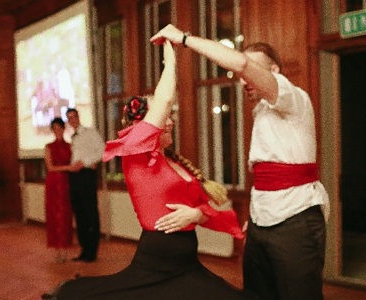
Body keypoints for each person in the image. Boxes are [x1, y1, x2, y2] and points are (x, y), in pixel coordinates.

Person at [49, 41, 245, 300]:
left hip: (186, 265)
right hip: (157, 261)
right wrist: (171, 57)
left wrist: (196, 215)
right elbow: (164, 99)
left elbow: (205, 212)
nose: (171, 120)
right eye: (165, 116)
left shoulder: (176, 164)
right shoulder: (136, 152)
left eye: (170, 115)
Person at [151, 24, 330, 300]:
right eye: (241, 77)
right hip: (262, 222)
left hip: (296, 220)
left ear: (274, 72)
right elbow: (267, 172)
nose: (244, 80)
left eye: (252, 73)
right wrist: (256, 215)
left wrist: (184, 39)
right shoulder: (262, 111)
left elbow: (242, 64)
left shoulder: (293, 98)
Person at [64, 107, 104, 262]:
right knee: (79, 213)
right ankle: (84, 249)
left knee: (90, 211)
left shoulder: (90, 132)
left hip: (86, 175)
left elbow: (102, 150)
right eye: (69, 118)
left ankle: (92, 251)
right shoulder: (71, 137)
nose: (72, 120)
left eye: (74, 116)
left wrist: (85, 162)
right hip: (74, 177)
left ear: (78, 117)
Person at [43, 118, 73, 263]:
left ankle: (65, 250)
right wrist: (68, 168)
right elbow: (50, 167)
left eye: (59, 127)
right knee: (54, 216)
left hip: (66, 183)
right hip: (54, 184)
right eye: (54, 128)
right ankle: (57, 250)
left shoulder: (70, 146)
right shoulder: (48, 147)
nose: (57, 130)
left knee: (65, 216)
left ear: (63, 128)